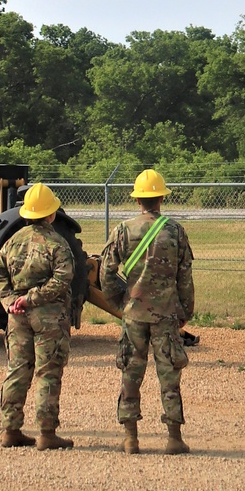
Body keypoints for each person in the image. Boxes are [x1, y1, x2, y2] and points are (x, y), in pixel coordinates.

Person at [99, 168, 194, 455]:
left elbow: (106, 272)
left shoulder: (123, 230)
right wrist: (185, 310)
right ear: (161, 198)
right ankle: (174, 438)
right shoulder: (175, 231)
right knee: (169, 374)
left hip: (134, 314)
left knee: (130, 372)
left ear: (138, 199)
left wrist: (119, 302)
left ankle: (131, 438)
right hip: (166, 315)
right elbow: (185, 276)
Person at [0, 181, 75, 451]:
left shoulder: (12, 241)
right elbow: (63, 278)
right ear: (51, 214)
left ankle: (10, 429)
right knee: (48, 372)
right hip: (49, 317)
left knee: (17, 370)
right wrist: (33, 298)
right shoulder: (57, 243)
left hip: (18, 317)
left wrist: (9, 301)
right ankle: (46, 433)